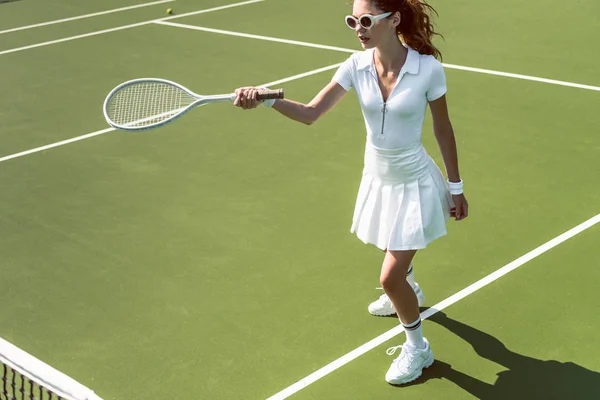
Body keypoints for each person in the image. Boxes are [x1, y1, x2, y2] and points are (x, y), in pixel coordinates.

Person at [233, 0, 468, 386]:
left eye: (365, 20)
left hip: (415, 182)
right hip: (378, 178)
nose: (357, 28)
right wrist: (267, 98)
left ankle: (418, 348)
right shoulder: (355, 66)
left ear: (393, 20)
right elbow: (311, 113)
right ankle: (411, 286)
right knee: (389, 251)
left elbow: (443, 128)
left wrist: (456, 186)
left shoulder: (427, 70)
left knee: (390, 279)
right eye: (352, 20)